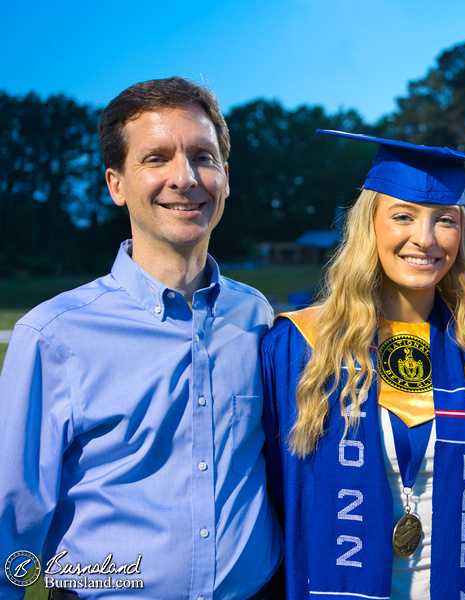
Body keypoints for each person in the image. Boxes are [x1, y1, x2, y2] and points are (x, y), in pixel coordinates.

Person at [0, 77, 283, 599]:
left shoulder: (256, 317)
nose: (185, 177)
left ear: (225, 176)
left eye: (203, 156)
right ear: (115, 184)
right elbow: (9, 526)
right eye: (156, 158)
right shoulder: (52, 336)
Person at [261, 130, 465, 600]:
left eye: (445, 220)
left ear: (463, 233)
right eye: (403, 216)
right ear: (371, 225)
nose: (423, 239)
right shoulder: (301, 345)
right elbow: (278, 500)